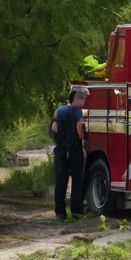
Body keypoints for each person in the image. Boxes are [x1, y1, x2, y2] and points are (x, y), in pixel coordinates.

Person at [51, 85, 89, 219]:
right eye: (81, 98)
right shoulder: (77, 111)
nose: (83, 101)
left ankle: (60, 212)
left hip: (60, 150)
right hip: (74, 150)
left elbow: (54, 128)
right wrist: (81, 137)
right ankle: (76, 211)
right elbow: (80, 126)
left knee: (61, 181)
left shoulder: (59, 110)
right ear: (74, 98)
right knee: (77, 181)